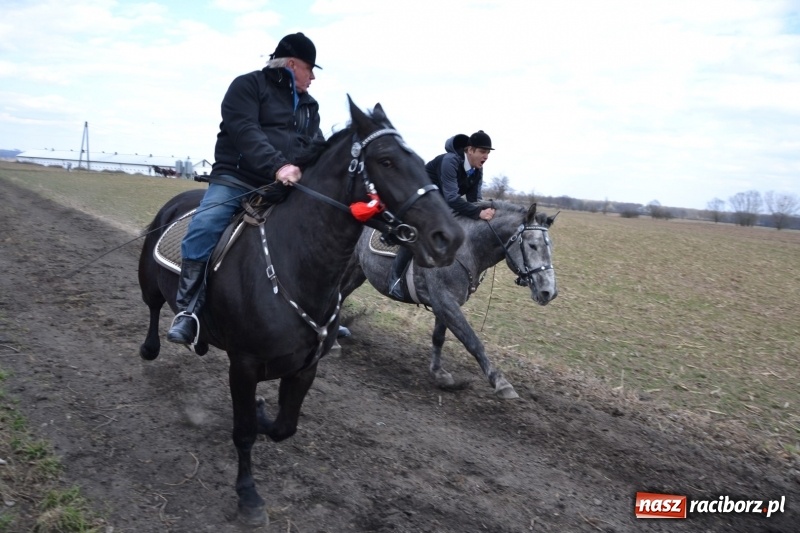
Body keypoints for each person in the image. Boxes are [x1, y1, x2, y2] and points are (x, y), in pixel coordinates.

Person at [167, 32, 326, 346]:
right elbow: (245, 131)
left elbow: (315, 148)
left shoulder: (309, 106)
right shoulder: (248, 86)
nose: (312, 78)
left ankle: (321, 311)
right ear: (293, 64)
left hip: (282, 186)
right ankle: (188, 310)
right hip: (237, 179)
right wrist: (278, 165)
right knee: (205, 225)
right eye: (311, 70)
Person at [387, 130, 496, 299]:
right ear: (470, 150)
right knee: (421, 227)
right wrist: (478, 212)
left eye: (488, 152)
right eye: (482, 151)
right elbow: (452, 198)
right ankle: (394, 279)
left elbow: (474, 200)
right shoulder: (450, 161)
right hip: (419, 192)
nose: (486, 156)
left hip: (439, 199)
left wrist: (488, 208)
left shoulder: (477, 170)